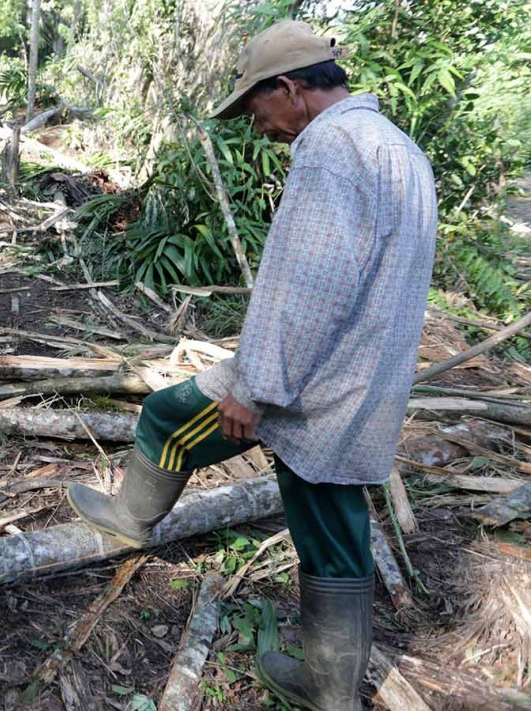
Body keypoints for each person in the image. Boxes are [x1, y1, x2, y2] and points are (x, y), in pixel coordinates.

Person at [66, 20, 438, 711]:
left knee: (311, 515)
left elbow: (310, 287)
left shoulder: (330, 148)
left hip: (310, 383)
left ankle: (327, 690)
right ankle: (328, 686)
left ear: (290, 89)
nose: (255, 124)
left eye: (253, 107)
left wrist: (258, 388)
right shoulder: (397, 147)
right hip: (364, 376)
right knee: (328, 519)